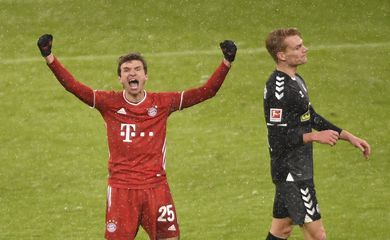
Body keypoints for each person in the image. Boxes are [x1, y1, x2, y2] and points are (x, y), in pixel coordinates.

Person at [37, 34, 237, 240]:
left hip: (156, 188)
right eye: (126, 71)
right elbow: (73, 86)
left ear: (145, 76)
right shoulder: (109, 102)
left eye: (137, 70)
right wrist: (49, 57)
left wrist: (226, 62)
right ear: (120, 79)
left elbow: (207, 91)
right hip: (122, 190)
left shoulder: (162, 102)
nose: (132, 74)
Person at [262, 28, 371, 240]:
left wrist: (347, 136)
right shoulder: (278, 90)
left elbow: (310, 117)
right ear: (281, 55)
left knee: (282, 229)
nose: (305, 49)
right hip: (291, 173)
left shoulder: (295, 80)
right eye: (298, 47)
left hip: (298, 168)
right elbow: (276, 138)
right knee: (317, 235)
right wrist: (313, 136)